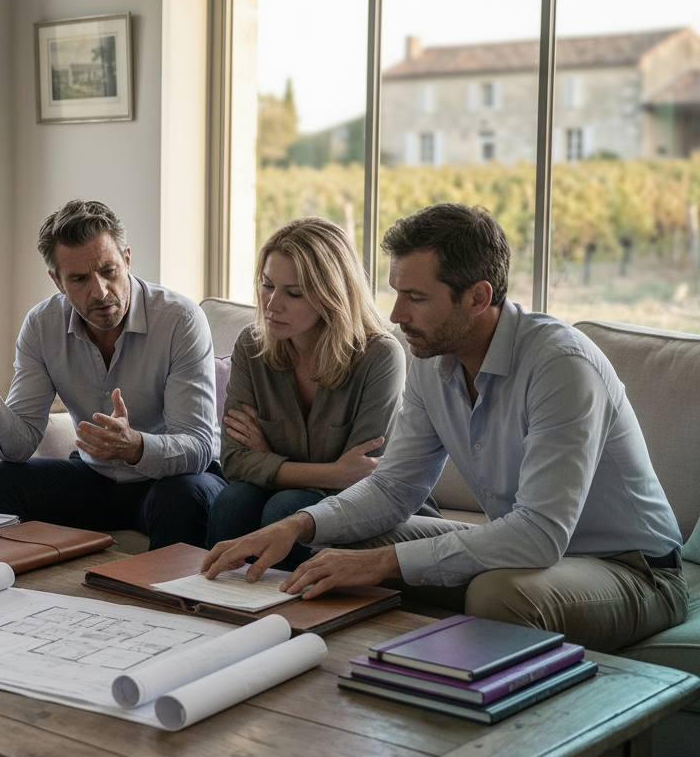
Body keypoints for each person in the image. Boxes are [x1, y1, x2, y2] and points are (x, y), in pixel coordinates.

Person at [203, 202, 686, 652]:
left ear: (478, 297)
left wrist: (380, 563)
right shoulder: (432, 361)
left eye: (415, 297)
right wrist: (293, 526)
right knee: (331, 548)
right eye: (397, 293)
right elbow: (393, 488)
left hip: (629, 569)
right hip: (523, 549)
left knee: (499, 594)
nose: (395, 316)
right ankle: (356, 684)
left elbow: (538, 535)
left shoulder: (560, 364)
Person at [0, 199, 225, 550]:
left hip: (174, 479)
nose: (100, 291)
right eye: (79, 279)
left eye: (108, 270)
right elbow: (19, 448)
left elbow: (198, 447)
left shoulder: (179, 319)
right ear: (57, 281)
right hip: (95, 478)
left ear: (126, 258)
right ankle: (10, 600)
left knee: (183, 495)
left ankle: (162, 603)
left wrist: (136, 446)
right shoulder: (42, 325)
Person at [206, 217, 438, 569]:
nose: (271, 305)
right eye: (267, 285)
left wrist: (269, 459)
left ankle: (296, 618)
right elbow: (236, 462)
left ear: (332, 294)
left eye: (294, 293)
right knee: (233, 499)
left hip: (366, 506)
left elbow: (365, 476)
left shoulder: (380, 356)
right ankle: (211, 609)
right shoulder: (252, 345)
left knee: (285, 507)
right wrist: (332, 472)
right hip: (307, 491)